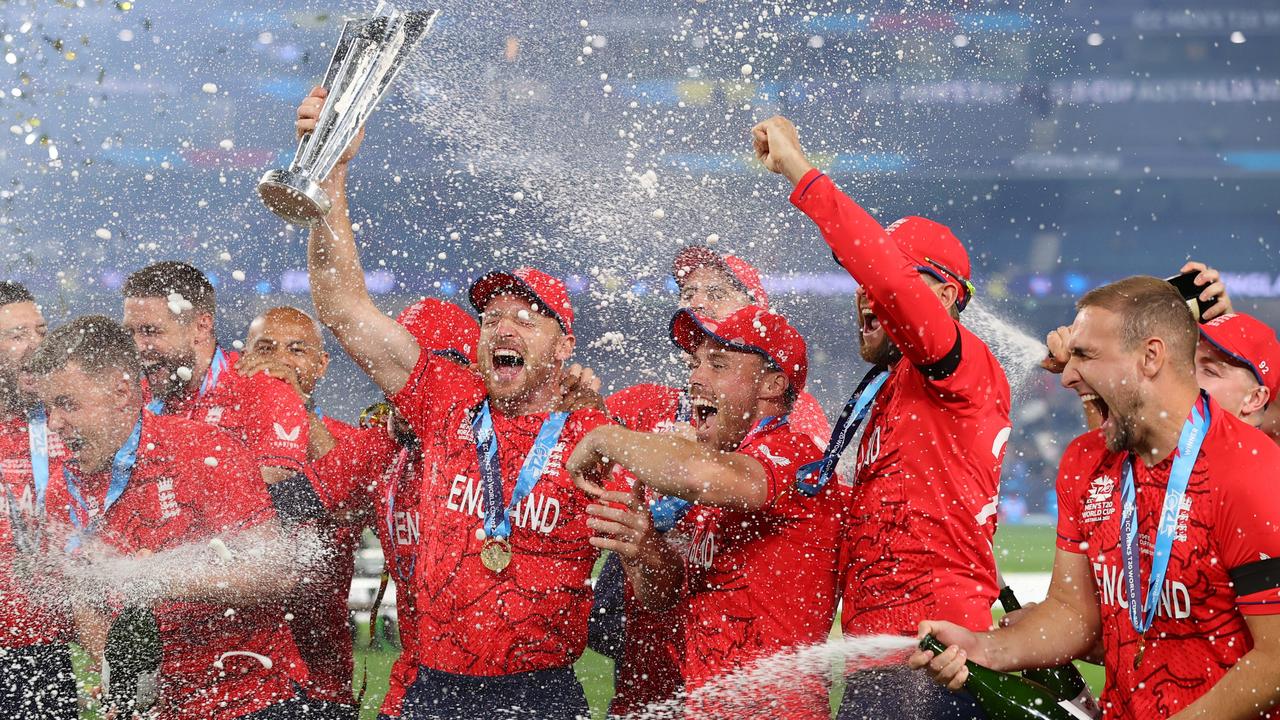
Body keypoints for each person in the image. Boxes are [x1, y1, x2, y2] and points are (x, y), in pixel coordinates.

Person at [297, 85, 613, 719]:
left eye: (528, 317)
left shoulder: (597, 435)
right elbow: (341, 305)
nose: (503, 327)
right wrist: (331, 172)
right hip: (436, 694)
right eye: (492, 316)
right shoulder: (447, 400)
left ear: (563, 344)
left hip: (543, 694)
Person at [910, 276, 1280, 720]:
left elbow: (1274, 661)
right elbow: (1073, 613)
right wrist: (985, 647)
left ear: (1151, 356)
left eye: (1085, 355)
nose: (1066, 374)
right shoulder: (1084, 462)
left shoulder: (1251, 472)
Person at [753, 115, 1012, 718]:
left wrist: (799, 169)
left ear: (943, 299)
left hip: (933, 655)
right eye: (860, 281)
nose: (865, 293)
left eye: (884, 279)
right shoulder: (893, 388)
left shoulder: (961, 364)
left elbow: (887, 278)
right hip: (889, 656)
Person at [30, 316, 316, 719]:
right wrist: (119, 679)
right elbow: (86, 598)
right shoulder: (65, 486)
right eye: (48, 408)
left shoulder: (204, 451)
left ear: (121, 393)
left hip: (250, 697)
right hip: (158, 709)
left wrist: (160, 579)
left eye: (67, 404)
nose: (55, 423)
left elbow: (274, 573)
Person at [593, 246, 833, 714]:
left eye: (716, 291)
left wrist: (613, 440)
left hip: (752, 679)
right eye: (688, 291)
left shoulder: (796, 424)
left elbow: (722, 482)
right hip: (657, 664)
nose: (696, 300)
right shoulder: (660, 403)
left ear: (757, 308)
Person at [287, 297, 480, 720]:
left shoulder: (498, 450)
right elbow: (287, 503)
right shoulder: (381, 449)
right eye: (401, 374)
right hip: (415, 681)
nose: (411, 391)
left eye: (429, 374)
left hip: (502, 683)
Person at [236, 305, 362, 718]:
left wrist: (295, 410)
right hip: (238, 682)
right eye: (266, 348)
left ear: (322, 365)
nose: (281, 361)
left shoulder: (343, 441)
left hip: (322, 678)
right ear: (244, 360)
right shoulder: (217, 442)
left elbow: (354, 497)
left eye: (297, 349)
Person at [120, 262, 311, 487]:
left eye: (150, 331)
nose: (137, 346)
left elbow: (278, 493)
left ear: (201, 326)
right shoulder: (133, 398)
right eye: (129, 332)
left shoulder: (264, 389)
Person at [0, 281, 77, 719]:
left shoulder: (67, 421)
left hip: (43, 646)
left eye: (41, 332)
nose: (37, 346)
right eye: (16, 336)